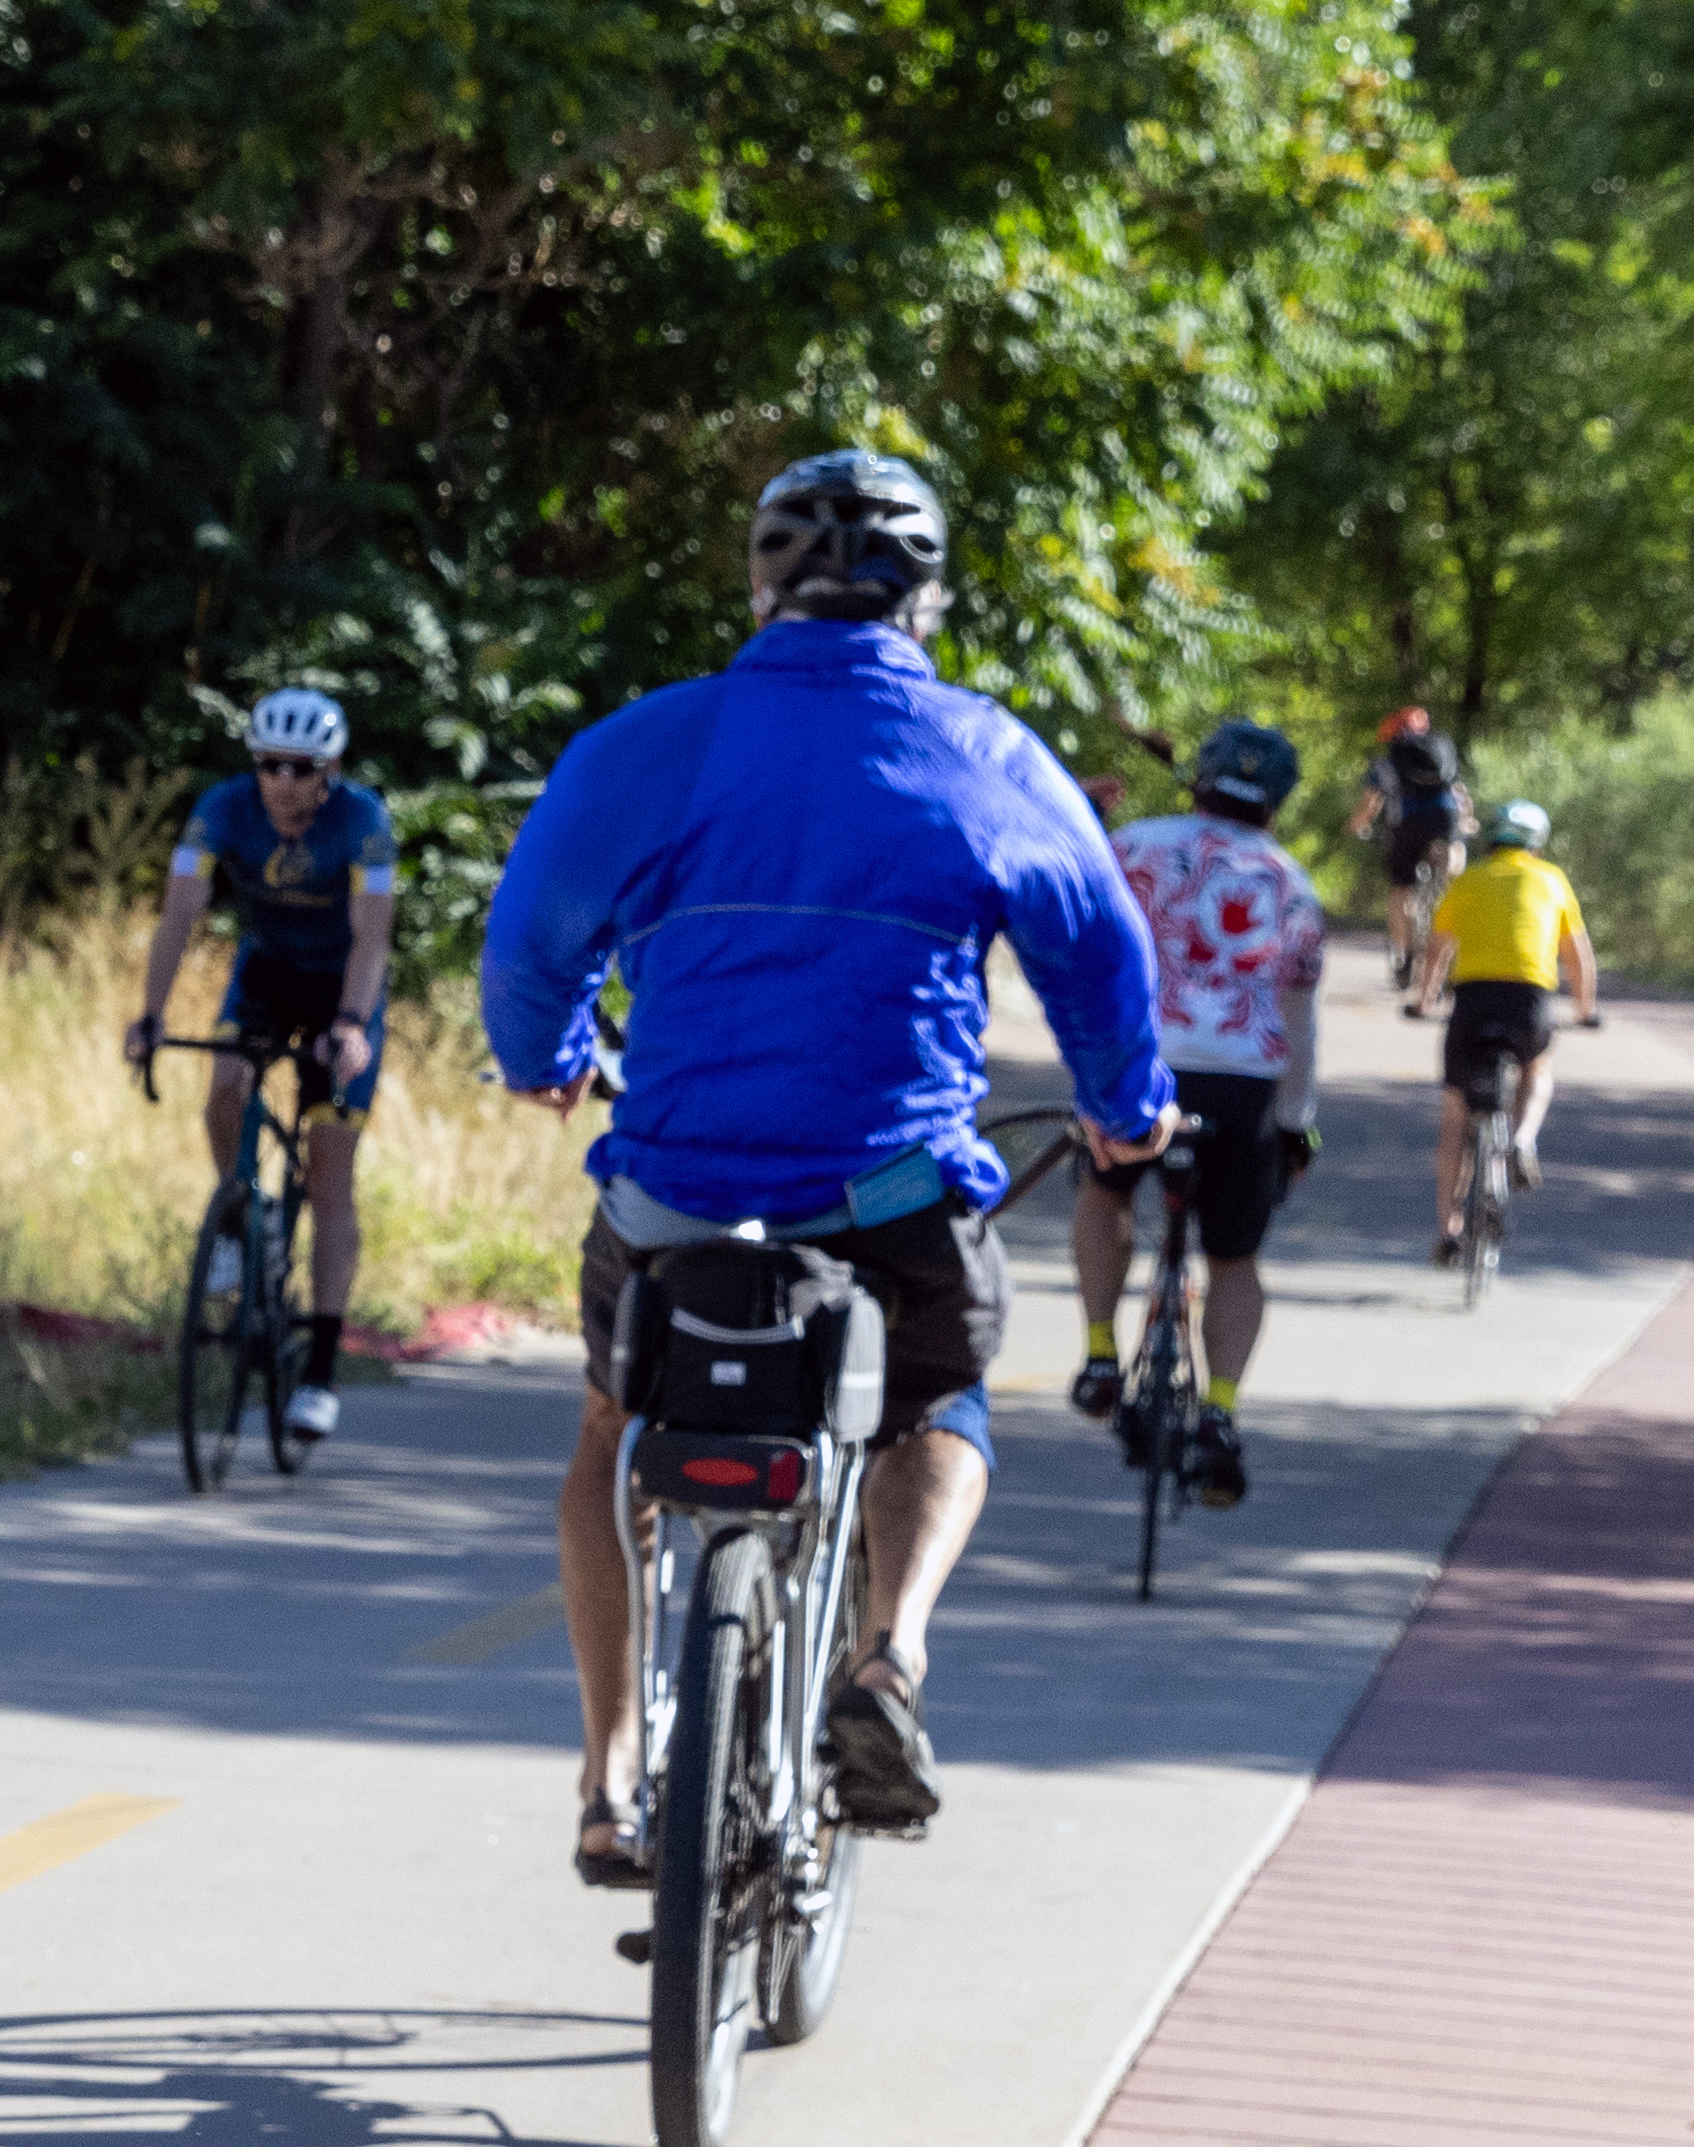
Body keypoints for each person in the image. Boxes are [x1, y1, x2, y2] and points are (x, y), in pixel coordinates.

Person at [480, 448, 1177, 1882]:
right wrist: (1125, 1107)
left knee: (614, 1437)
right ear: (923, 598)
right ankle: (887, 1657)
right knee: (938, 1401)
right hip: (884, 1201)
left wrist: (548, 1056)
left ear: (758, 582)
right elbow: (1100, 950)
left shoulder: (645, 744)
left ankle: (609, 1780)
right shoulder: (985, 753)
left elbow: (529, 936)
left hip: (673, 1191)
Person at [126, 686, 396, 1440]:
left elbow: (373, 936)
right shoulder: (222, 807)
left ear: (329, 771)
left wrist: (348, 1024)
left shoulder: (364, 822)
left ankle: (320, 1373)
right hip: (267, 976)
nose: (282, 782)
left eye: (300, 768)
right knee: (225, 1083)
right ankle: (246, 1219)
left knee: (330, 1164)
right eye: (270, 766)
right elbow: (180, 910)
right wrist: (150, 1013)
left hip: (341, 986)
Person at [1069, 719, 1325, 1508]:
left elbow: (1084, 950)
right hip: (1241, 1082)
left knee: (1105, 1192)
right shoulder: (1289, 881)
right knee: (1236, 1260)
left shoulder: (1136, 845)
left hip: (1141, 1067)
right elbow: (1299, 1015)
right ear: (1278, 801)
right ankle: (1220, 1413)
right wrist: (1295, 1120)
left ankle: (1103, 1352)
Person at [1410, 797, 1598, 1262]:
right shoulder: (1551, 880)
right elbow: (1577, 953)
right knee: (1537, 1066)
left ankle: (1448, 1229)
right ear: (1535, 843)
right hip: (1528, 1000)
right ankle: (1522, 1137)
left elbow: (1437, 948)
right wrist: (1584, 1008)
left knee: (1456, 1112)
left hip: (1473, 1000)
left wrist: (1424, 1001)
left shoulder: (1469, 880)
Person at [1340, 706, 1471, 994]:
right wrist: (1467, 823)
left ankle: (1407, 958)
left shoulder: (1385, 763)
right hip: (1446, 823)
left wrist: (1356, 827)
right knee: (1452, 886)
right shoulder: (1443, 753)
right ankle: (1455, 959)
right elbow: (1460, 794)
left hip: (1407, 825)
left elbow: (1370, 805)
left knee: (1401, 889)